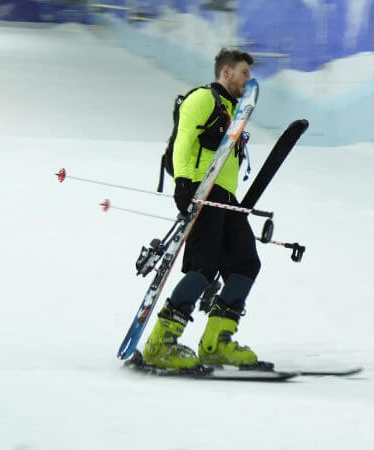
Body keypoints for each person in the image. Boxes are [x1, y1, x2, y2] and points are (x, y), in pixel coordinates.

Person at [143, 48, 261, 370]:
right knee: (203, 267)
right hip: (201, 191)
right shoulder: (202, 99)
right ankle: (161, 342)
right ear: (226, 72)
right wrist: (183, 184)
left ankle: (216, 342)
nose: (248, 80)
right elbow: (183, 140)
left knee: (246, 263)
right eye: (244, 73)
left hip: (225, 197)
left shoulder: (232, 111)